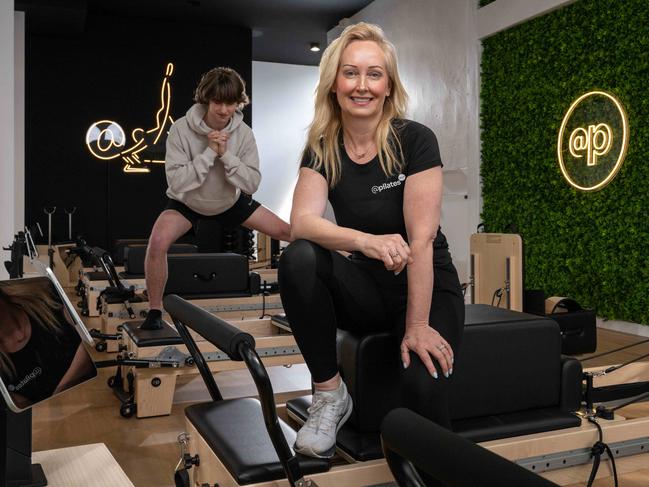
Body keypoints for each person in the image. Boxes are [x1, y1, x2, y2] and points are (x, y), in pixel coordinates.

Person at [278, 22, 464, 459]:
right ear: (333, 83)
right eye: (351, 73)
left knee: (422, 387)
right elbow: (301, 223)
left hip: (425, 285)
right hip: (367, 288)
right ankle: (329, 395)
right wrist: (367, 241)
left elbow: (421, 241)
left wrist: (417, 326)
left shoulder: (414, 139)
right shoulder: (322, 146)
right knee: (299, 259)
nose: (362, 85)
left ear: (388, 85)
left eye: (374, 73)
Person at [142, 67, 291, 329]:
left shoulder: (243, 134)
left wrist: (226, 155)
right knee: (157, 243)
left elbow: (252, 183)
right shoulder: (180, 129)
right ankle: (154, 312)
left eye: (231, 103)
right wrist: (209, 153)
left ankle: (335, 265)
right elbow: (177, 183)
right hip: (188, 202)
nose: (224, 110)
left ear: (239, 102)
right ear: (206, 99)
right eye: (218, 102)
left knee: (287, 231)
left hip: (229, 201)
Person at [0, 278, 95, 409]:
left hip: (98, 391)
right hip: (65, 420)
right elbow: (32, 415)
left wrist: (58, 394)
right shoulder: (3, 371)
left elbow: (90, 337)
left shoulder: (44, 298)